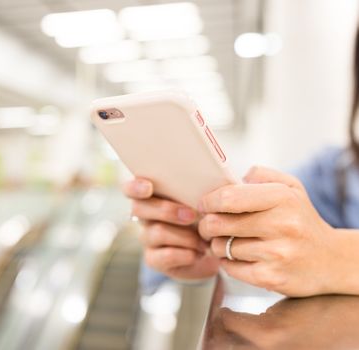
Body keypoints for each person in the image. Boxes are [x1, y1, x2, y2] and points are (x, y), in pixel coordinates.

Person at [122, 27, 359, 297]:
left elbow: (313, 252)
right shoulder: (330, 173)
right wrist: (203, 238)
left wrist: (333, 256)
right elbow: (275, 223)